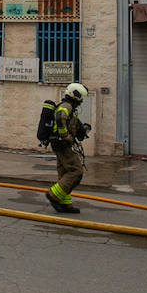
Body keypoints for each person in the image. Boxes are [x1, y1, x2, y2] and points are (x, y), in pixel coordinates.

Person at [46, 82, 90, 214]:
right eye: (80, 98)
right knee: (76, 171)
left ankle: (64, 203)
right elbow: (60, 117)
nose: (81, 101)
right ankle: (53, 195)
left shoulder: (69, 107)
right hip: (63, 144)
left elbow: (72, 122)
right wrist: (65, 135)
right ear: (75, 95)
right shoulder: (66, 106)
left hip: (59, 144)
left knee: (64, 173)